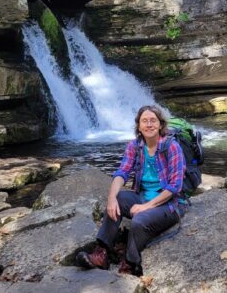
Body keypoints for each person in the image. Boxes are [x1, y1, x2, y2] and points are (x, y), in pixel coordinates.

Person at [76, 105, 187, 276]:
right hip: (142, 196)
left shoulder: (171, 147)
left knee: (139, 220)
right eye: (144, 121)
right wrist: (111, 198)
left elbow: (175, 186)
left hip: (170, 204)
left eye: (153, 121)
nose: (149, 124)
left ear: (160, 125)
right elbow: (122, 172)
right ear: (139, 126)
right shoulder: (135, 146)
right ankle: (102, 253)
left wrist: (146, 206)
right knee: (118, 198)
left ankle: (130, 262)